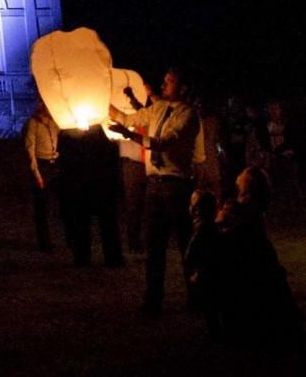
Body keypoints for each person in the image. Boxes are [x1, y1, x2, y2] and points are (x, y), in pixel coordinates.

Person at [109, 67, 202, 315]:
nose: (163, 85)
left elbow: (164, 143)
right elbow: (130, 118)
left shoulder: (188, 115)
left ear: (183, 88)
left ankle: (196, 298)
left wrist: (129, 135)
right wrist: (103, 104)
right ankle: (153, 301)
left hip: (177, 185)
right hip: (155, 185)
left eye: (170, 82)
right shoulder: (158, 108)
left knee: (187, 246)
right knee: (154, 246)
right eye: (164, 81)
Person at [215, 166, 302, 345]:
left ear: (248, 185)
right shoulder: (253, 209)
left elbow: (224, 227)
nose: (239, 175)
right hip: (261, 259)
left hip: (249, 261)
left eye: (244, 174)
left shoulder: (241, 209)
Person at [57, 123, 125, 268]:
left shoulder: (98, 131)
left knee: (101, 221)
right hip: (89, 183)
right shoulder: (69, 132)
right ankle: (95, 258)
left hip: (96, 182)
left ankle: (99, 258)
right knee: (91, 221)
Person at [185, 190, 224, 338]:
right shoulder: (215, 227)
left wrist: (195, 269)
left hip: (206, 273)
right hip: (212, 271)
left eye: (194, 205)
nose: (191, 208)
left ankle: (214, 330)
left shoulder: (202, 229)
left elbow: (190, 252)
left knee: (210, 303)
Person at [22, 102, 59, 251]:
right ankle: (44, 241)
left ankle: (58, 237)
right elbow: (29, 148)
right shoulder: (33, 123)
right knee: (41, 206)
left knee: (53, 205)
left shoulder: (53, 123)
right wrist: (36, 173)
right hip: (41, 164)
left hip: (53, 163)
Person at [117, 88, 148, 253]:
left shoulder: (145, 117)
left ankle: (143, 240)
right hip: (132, 165)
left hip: (147, 165)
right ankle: (134, 242)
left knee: (146, 206)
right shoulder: (123, 119)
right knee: (133, 205)